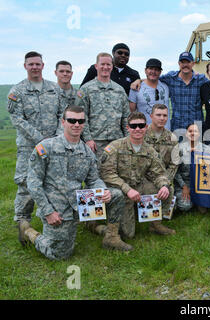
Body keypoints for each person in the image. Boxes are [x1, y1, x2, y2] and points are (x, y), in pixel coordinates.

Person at [20, 105, 132, 260]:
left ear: (84, 124)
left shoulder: (87, 153)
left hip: (79, 202)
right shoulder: (46, 148)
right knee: (60, 254)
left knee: (116, 195)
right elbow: (33, 182)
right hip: (56, 207)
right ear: (63, 122)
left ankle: (111, 237)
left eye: (80, 121)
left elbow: (93, 179)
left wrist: (102, 190)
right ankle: (28, 232)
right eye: (72, 120)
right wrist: (48, 211)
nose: (76, 124)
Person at [7, 51, 64, 232]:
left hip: (53, 145)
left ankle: (53, 215)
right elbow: (17, 120)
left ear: (43, 66)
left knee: (52, 180)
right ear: (25, 66)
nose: (34, 67)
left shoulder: (54, 89)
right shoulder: (17, 91)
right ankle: (23, 221)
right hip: (29, 146)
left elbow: (62, 115)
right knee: (25, 182)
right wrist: (40, 140)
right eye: (31, 64)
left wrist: (56, 138)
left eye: (37, 64)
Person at [99, 112, 174, 239]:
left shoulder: (149, 150)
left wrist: (164, 186)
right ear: (128, 128)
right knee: (128, 235)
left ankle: (155, 223)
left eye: (141, 125)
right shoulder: (115, 147)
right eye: (134, 126)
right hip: (120, 190)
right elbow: (107, 174)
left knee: (168, 190)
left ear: (146, 127)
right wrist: (127, 190)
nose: (137, 129)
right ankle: (95, 226)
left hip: (138, 187)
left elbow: (159, 173)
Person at [75, 52, 130, 159]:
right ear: (96, 66)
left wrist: (127, 139)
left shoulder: (119, 90)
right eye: (102, 64)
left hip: (117, 141)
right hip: (95, 142)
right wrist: (88, 139)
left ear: (112, 66)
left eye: (108, 64)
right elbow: (82, 116)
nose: (105, 67)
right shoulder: (86, 89)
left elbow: (125, 117)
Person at [144, 104, 180, 234]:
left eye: (165, 115)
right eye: (158, 115)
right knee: (128, 231)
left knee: (168, 190)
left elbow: (174, 164)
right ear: (151, 116)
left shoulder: (172, 138)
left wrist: (166, 182)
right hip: (142, 177)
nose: (162, 118)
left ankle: (156, 224)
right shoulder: (141, 134)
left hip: (162, 177)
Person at [128, 58, 171, 130]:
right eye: (151, 68)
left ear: (160, 72)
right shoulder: (136, 88)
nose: (153, 72)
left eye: (156, 69)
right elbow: (131, 112)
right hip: (145, 133)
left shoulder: (166, 87)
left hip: (165, 133)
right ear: (145, 70)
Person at [174, 122, 207, 212]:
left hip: (201, 184)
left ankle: (198, 201)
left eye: (195, 131)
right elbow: (175, 171)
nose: (192, 133)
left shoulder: (206, 149)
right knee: (185, 206)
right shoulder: (179, 148)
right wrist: (184, 186)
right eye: (190, 131)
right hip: (185, 183)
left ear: (199, 134)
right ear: (186, 133)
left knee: (205, 207)